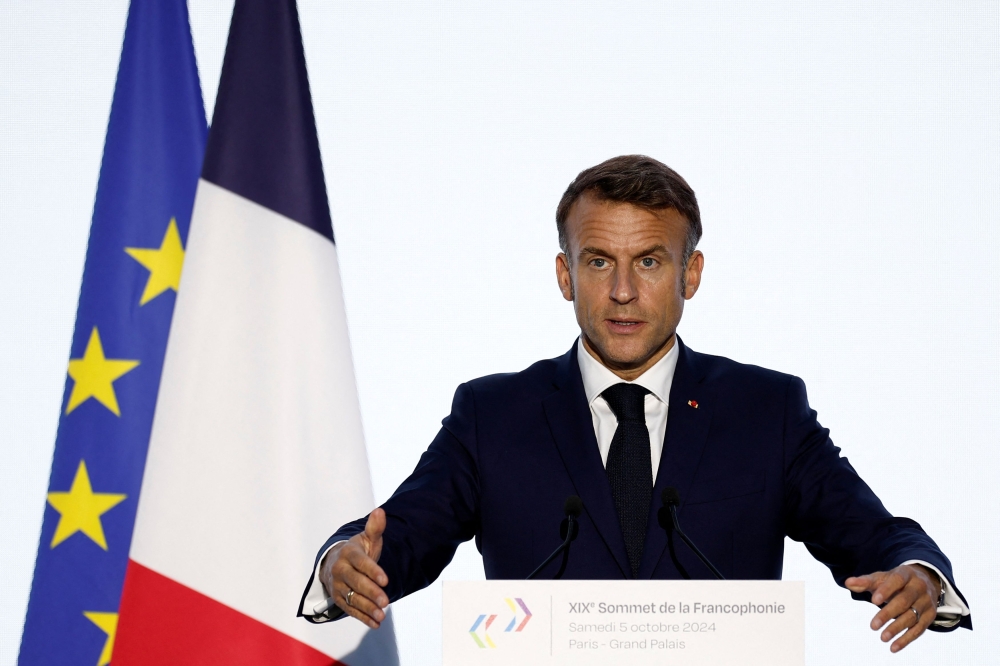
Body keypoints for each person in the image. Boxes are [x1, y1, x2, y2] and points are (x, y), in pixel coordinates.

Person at [297, 155, 971, 652]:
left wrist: (918, 572)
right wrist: (344, 561)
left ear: (690, 274)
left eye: (648, 261)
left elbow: (873, 534)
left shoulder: (766, 411)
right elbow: (403, 535)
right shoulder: (492, 415)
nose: (623, 291)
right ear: (565, 274)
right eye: (598, 262)